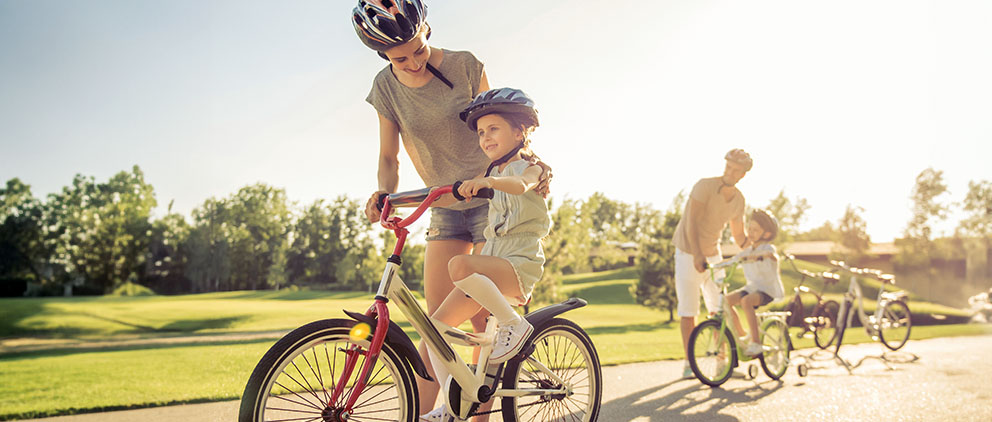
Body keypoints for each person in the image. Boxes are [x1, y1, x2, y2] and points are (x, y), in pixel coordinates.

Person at [351, 1, 542, 416]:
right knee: (434, 324)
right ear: (382, 54)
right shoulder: (386, 87)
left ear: (427, 31)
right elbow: (389, 157)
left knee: (481, 320)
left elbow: (498, 121)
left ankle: (481, 411)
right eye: (400, 57)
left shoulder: (466, 65)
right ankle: (422, 415)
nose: (413, 62)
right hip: (443, 204)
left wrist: (519, 176)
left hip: (491, 203)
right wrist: (385, 193)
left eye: (418, 49)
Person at [419, 87, 552, 421]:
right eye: (481, 132)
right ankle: (452, 405)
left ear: (520, 131)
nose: (485, 137)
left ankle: (513, 324)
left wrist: (485, 183)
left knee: (459, 263)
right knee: (434, 330)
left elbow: (520, 186)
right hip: (492, 267)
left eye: (493, 129)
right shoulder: (492, 173)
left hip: (518, 265)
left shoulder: (533, 168)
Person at [671, 148, 752, 378]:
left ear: (742, 175)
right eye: (727, 166)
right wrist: (697, 255)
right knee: (689, 311)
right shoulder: (704, 186)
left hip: (714, 256)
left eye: (735, 170)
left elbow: (739, 236)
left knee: (720, 309)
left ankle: (722, 364)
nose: (729, 172)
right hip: (688, 252)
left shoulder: (739, 200)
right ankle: (689, 365)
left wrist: (758, 247)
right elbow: (691, 223)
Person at [723, 209, 785, 356]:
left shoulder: (768, 248)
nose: (750, 232)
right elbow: (734, 259)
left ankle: (756, 343)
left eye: (755, 230)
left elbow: (772, 255)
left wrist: (762, 255)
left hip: (767, 290)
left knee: (746, 301)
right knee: (726, 301)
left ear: (767, 234)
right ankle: (742, 335)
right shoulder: (748, 250)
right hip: (752, 288)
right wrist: (715, 265)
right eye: (749, 228)